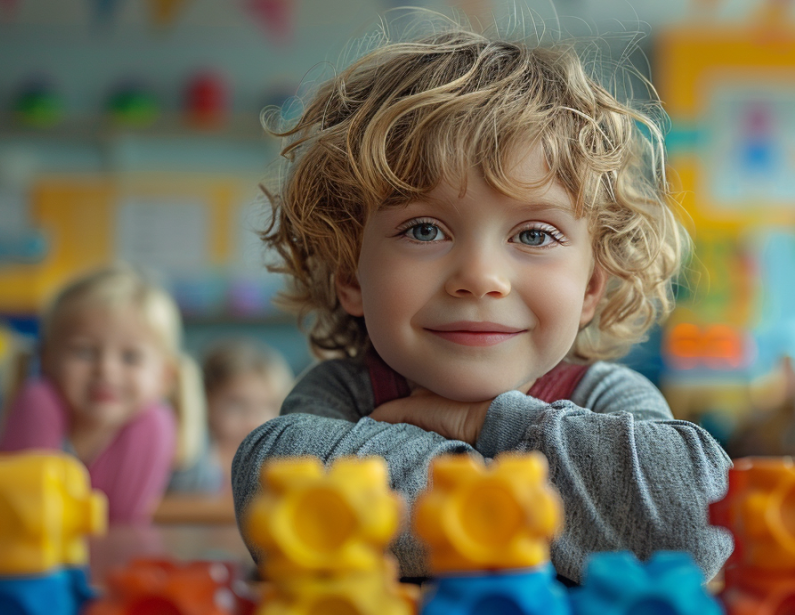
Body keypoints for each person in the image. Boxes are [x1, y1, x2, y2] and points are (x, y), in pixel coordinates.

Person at [232, 25, 733, 583]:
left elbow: (695, 521)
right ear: (350, 274)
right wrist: (557, 503)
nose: (480, 277)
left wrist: (484, 421)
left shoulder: (606, 396)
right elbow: (275, 500)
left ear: (592, 286)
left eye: (535, 235)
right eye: (424, 229)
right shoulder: (345, 393)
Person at [0, 265, 205, 524]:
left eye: (131, 357)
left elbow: (119, 525)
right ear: (47, 359)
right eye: (83, 351)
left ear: (165, 377)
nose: (106, 370)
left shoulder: (154, 424)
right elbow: (30, 517)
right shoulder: (37, 404)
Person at [167, 338, 293, 495]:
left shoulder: (283, 456)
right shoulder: (189, 450)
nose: (253, 422)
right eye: (237, 405)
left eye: (268, 406)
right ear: (205, 401)